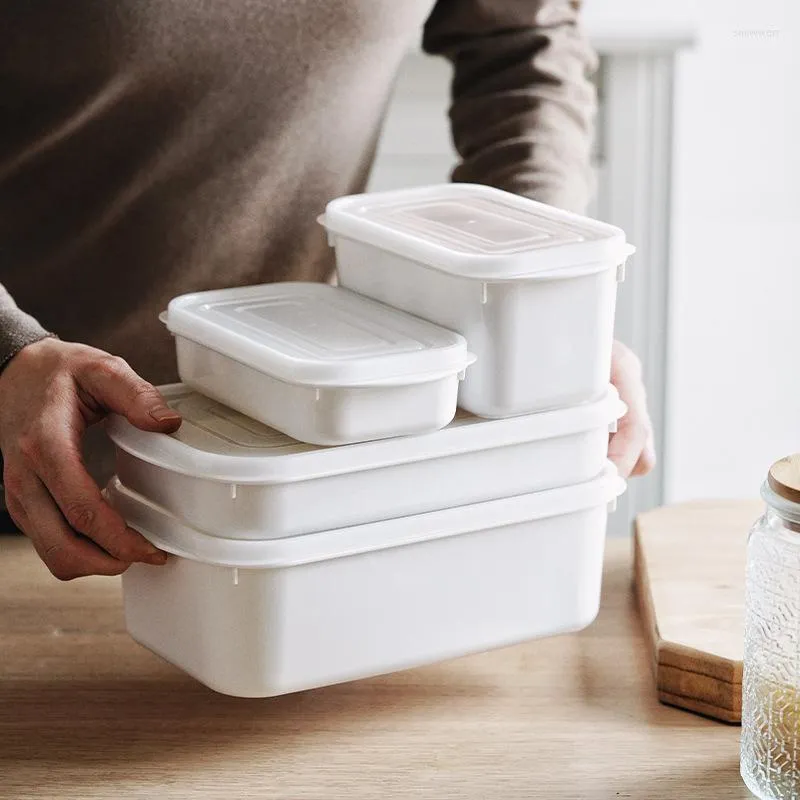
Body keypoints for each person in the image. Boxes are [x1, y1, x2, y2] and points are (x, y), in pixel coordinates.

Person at [0, 1, 655, 582]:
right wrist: (9, 350)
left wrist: (540, 304)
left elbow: (522, 48)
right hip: (22, 458)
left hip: (292, 471)